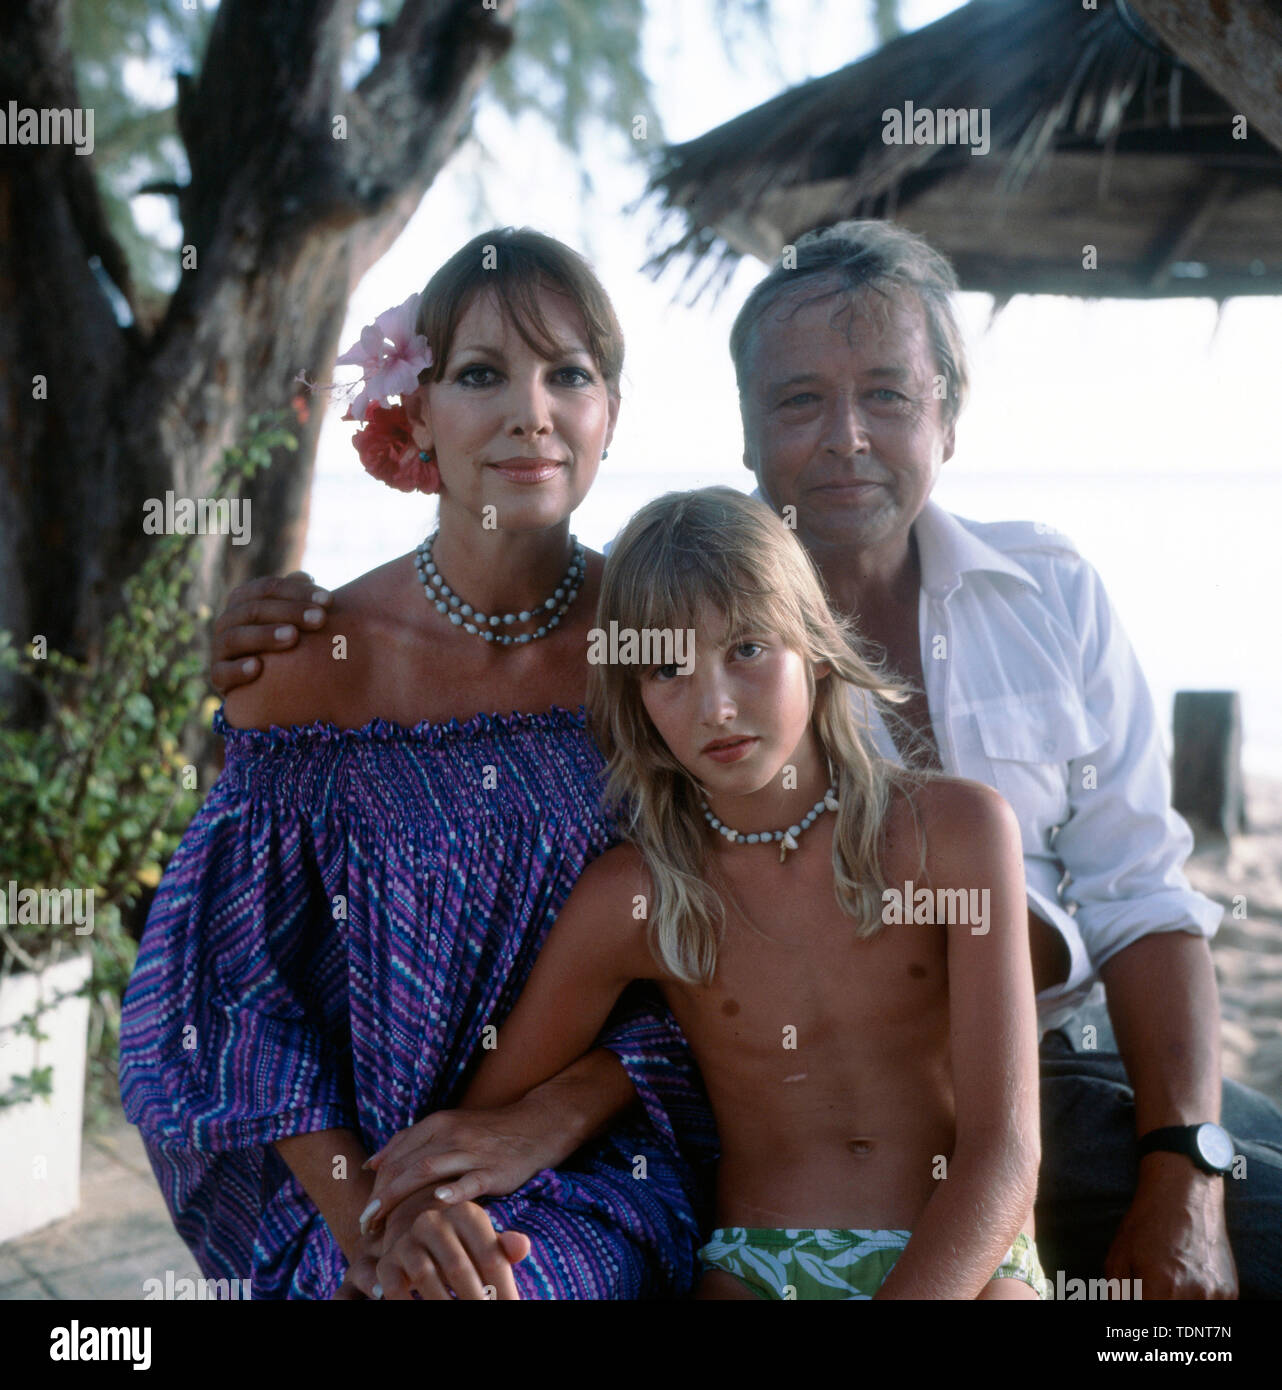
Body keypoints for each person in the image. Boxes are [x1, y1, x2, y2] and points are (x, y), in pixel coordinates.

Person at [215, 220, 1282, 1300]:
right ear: (746, 432)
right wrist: (298, 628)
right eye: (800, 399)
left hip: (1068, 1072)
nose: (847, 438)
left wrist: (1183, 1165)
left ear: (947, 416)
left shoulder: (1040, 614)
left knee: (1252, 1238)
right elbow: (471, 667)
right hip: (764, 1156)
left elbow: (1142, 899)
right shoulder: (633, 639)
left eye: (887, 394)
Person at [119, 227, 717, 1300]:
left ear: (608, 418)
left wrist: (547, 1118)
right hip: (351, 1176)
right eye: (482, 374)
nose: (531, 410)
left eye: (568, 375)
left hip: (603, 1154)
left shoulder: (668, 658)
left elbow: (742, 934)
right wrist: (380, 1227)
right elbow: (233, 1001)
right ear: (416, 414)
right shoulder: (308, 667)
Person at [437, 486, 1048, 1300]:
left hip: (968, 1256)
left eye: (748, 649)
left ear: (817, 646)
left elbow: (1005, 1150)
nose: (715, 705)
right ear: (636, 697)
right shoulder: (637, 896)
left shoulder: (956, 834)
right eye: (668, 669)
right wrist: (522, 1137)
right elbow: (489, 1104)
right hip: (761, 1264)